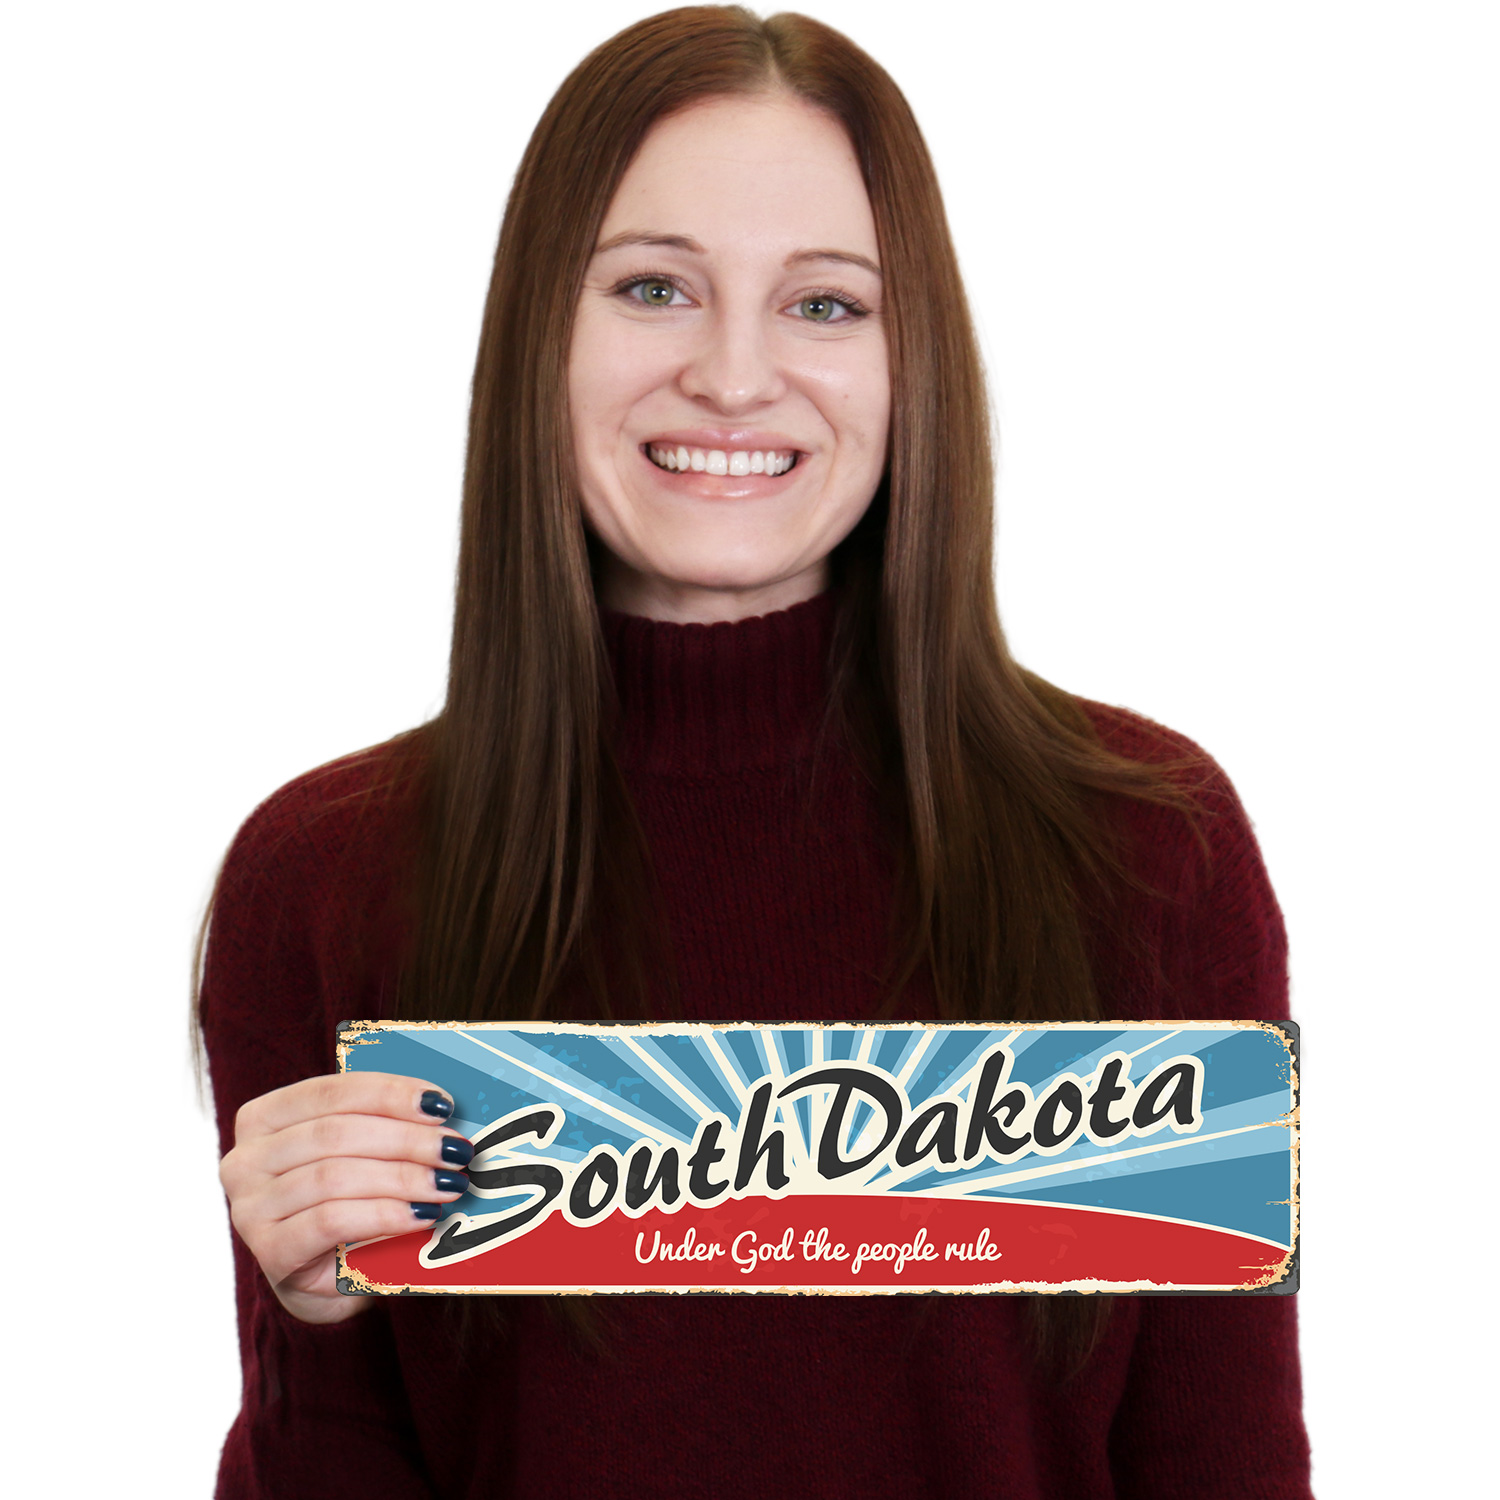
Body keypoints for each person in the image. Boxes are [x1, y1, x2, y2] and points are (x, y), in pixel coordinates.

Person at [199, 7, 1313, 1496]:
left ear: (914, 360)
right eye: (654, 288)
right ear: (540, 332)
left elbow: (1223, 1461)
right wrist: (306, 1319)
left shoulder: (1149, 843)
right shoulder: (322, 875)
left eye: (826, 304)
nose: (733, 376)